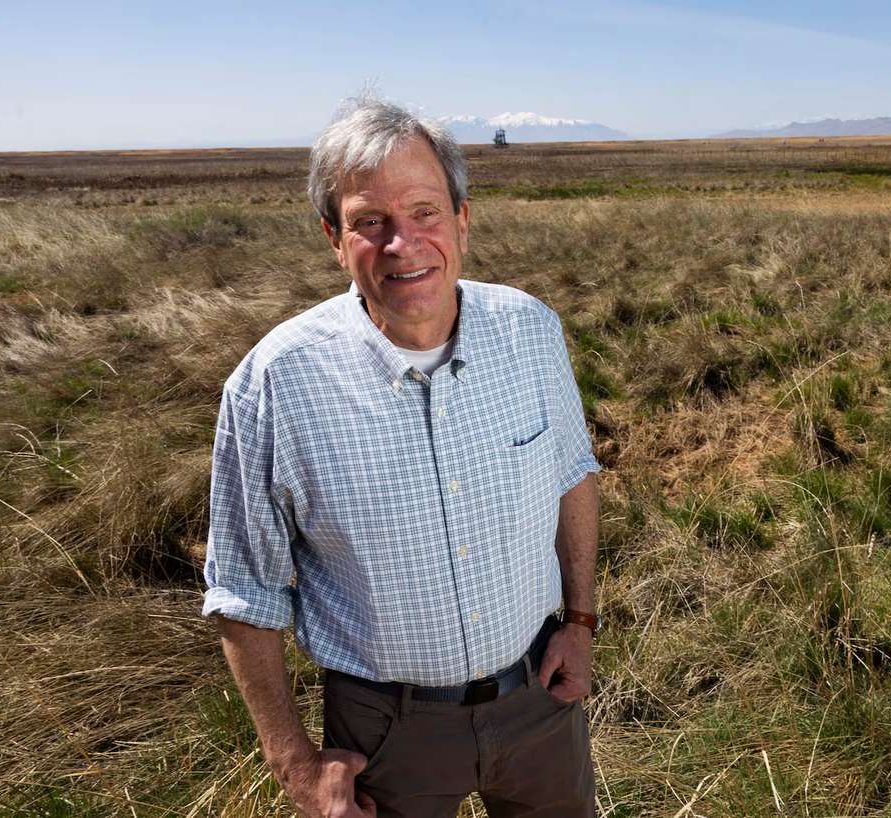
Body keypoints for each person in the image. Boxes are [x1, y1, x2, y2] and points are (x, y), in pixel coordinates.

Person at [202, 97, 602, 817]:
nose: (402, 244)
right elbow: (243, 591)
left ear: (463, 219)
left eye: (424, 212)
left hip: (540, 699)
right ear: (333, 236)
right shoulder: (275, 384)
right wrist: (295, 767)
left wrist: (580, 621)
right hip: (384, 734)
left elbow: (573, 476)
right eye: (369, 222)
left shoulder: (531, 332)